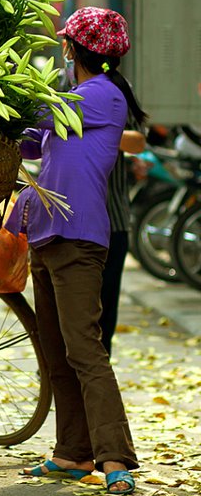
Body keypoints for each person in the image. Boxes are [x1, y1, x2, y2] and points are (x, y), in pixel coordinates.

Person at [9, 7, 143, 495]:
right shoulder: (73, 99)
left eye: (65, 43)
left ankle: (115, 458)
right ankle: (71, 453)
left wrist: (2, 85)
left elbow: (38, 112)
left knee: (86, 351)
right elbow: (31, 143)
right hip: (46, 236)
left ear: (74, 49)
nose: (62, 49)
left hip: (80, 239)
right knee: (57, 354)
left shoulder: (101, 96)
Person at [100, 127, 145, 356]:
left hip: (110, 220)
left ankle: (96, 380)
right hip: (60, 221)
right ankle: (54, 372)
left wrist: (89, 126)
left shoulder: (117, 91)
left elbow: (137, 142)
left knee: (102, 310)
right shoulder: (57, 89)